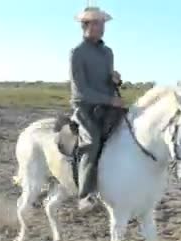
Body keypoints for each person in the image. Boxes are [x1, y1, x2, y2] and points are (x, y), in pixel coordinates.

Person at [69, 6, 124, 211]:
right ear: (85, 26)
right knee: (92, 142)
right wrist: (110, 101)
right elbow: (81, 90)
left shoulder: (108, 52)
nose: (101, 28)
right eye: (96, 23)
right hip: (85, 107)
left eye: (102, 24)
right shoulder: (77, 53)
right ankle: (85, 196)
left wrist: (114, 80)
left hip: (107, 105)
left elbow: (108, 83)